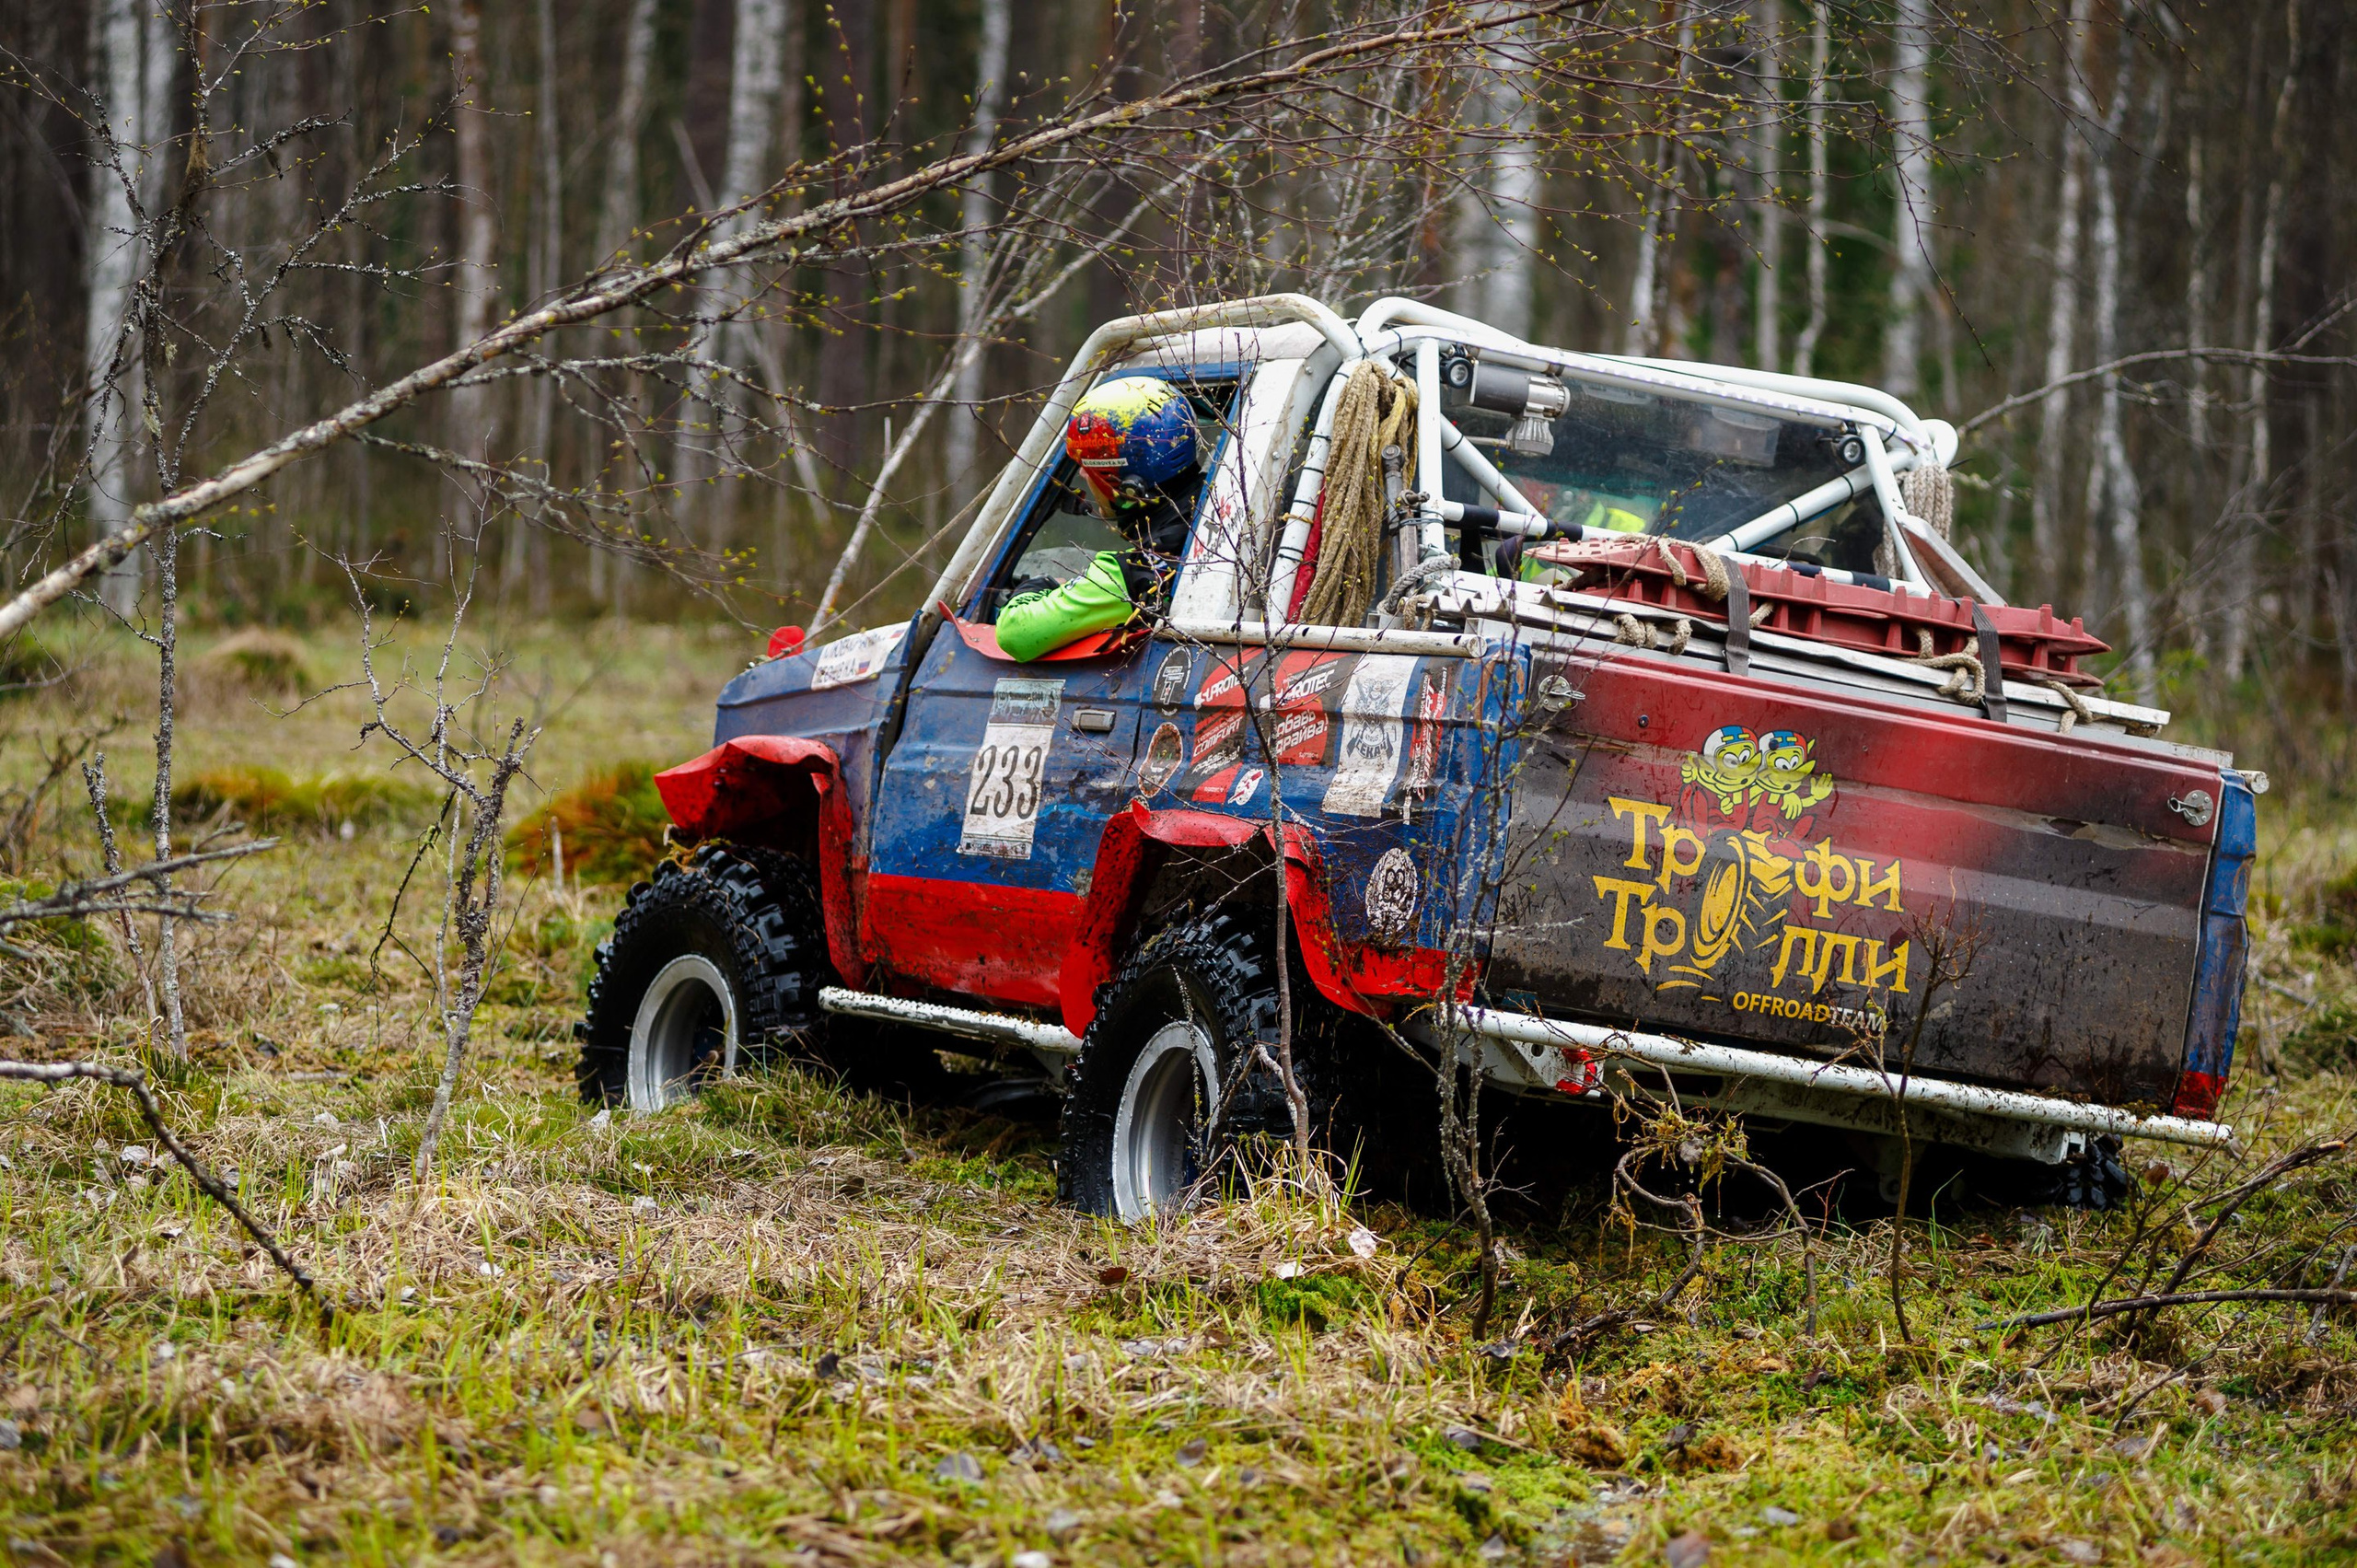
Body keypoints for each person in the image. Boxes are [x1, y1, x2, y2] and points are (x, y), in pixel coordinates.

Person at [997, 376, 1202, 662]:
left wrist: (1035, 587)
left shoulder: (1129, 574)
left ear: (1127, 483)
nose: (1082, 473)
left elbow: (1015, 633)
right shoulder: (1216, 508)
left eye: (1088, 465)